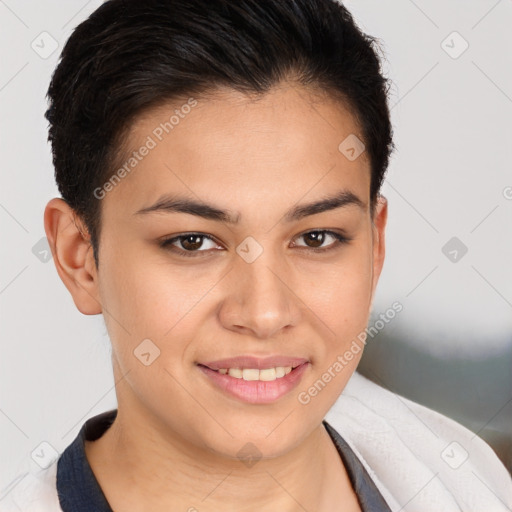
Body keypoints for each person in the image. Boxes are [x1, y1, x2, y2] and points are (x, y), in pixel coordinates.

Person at [4, 0, 511, 510]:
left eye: (316, 238)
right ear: (80, 259)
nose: (265, 313)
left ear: (375, 246)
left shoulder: (460, 477)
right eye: (193, 242)